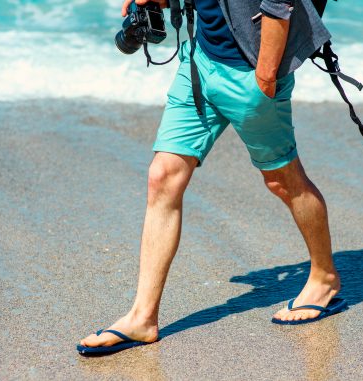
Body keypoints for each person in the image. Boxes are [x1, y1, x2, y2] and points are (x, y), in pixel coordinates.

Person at [78, 0, 346, 354]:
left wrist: (265, 74)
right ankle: (142, 317)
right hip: (198, 63)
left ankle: (324, 278)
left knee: (282, 180)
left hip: (251, 72)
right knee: (162, 176)